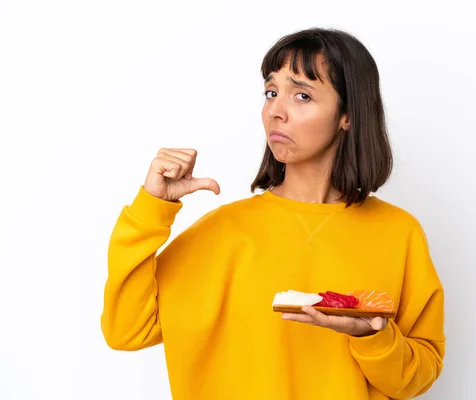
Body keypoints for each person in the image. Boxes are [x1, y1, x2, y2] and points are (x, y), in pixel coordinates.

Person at [101, 27, 446, 399]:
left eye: (302, 95)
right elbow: (126, 330)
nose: (276, 112)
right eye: (271, 92)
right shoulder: (222, 232)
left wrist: (372, 336)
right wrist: (153, 208)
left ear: (348, 114)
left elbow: (417, 377)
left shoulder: (397, 233)